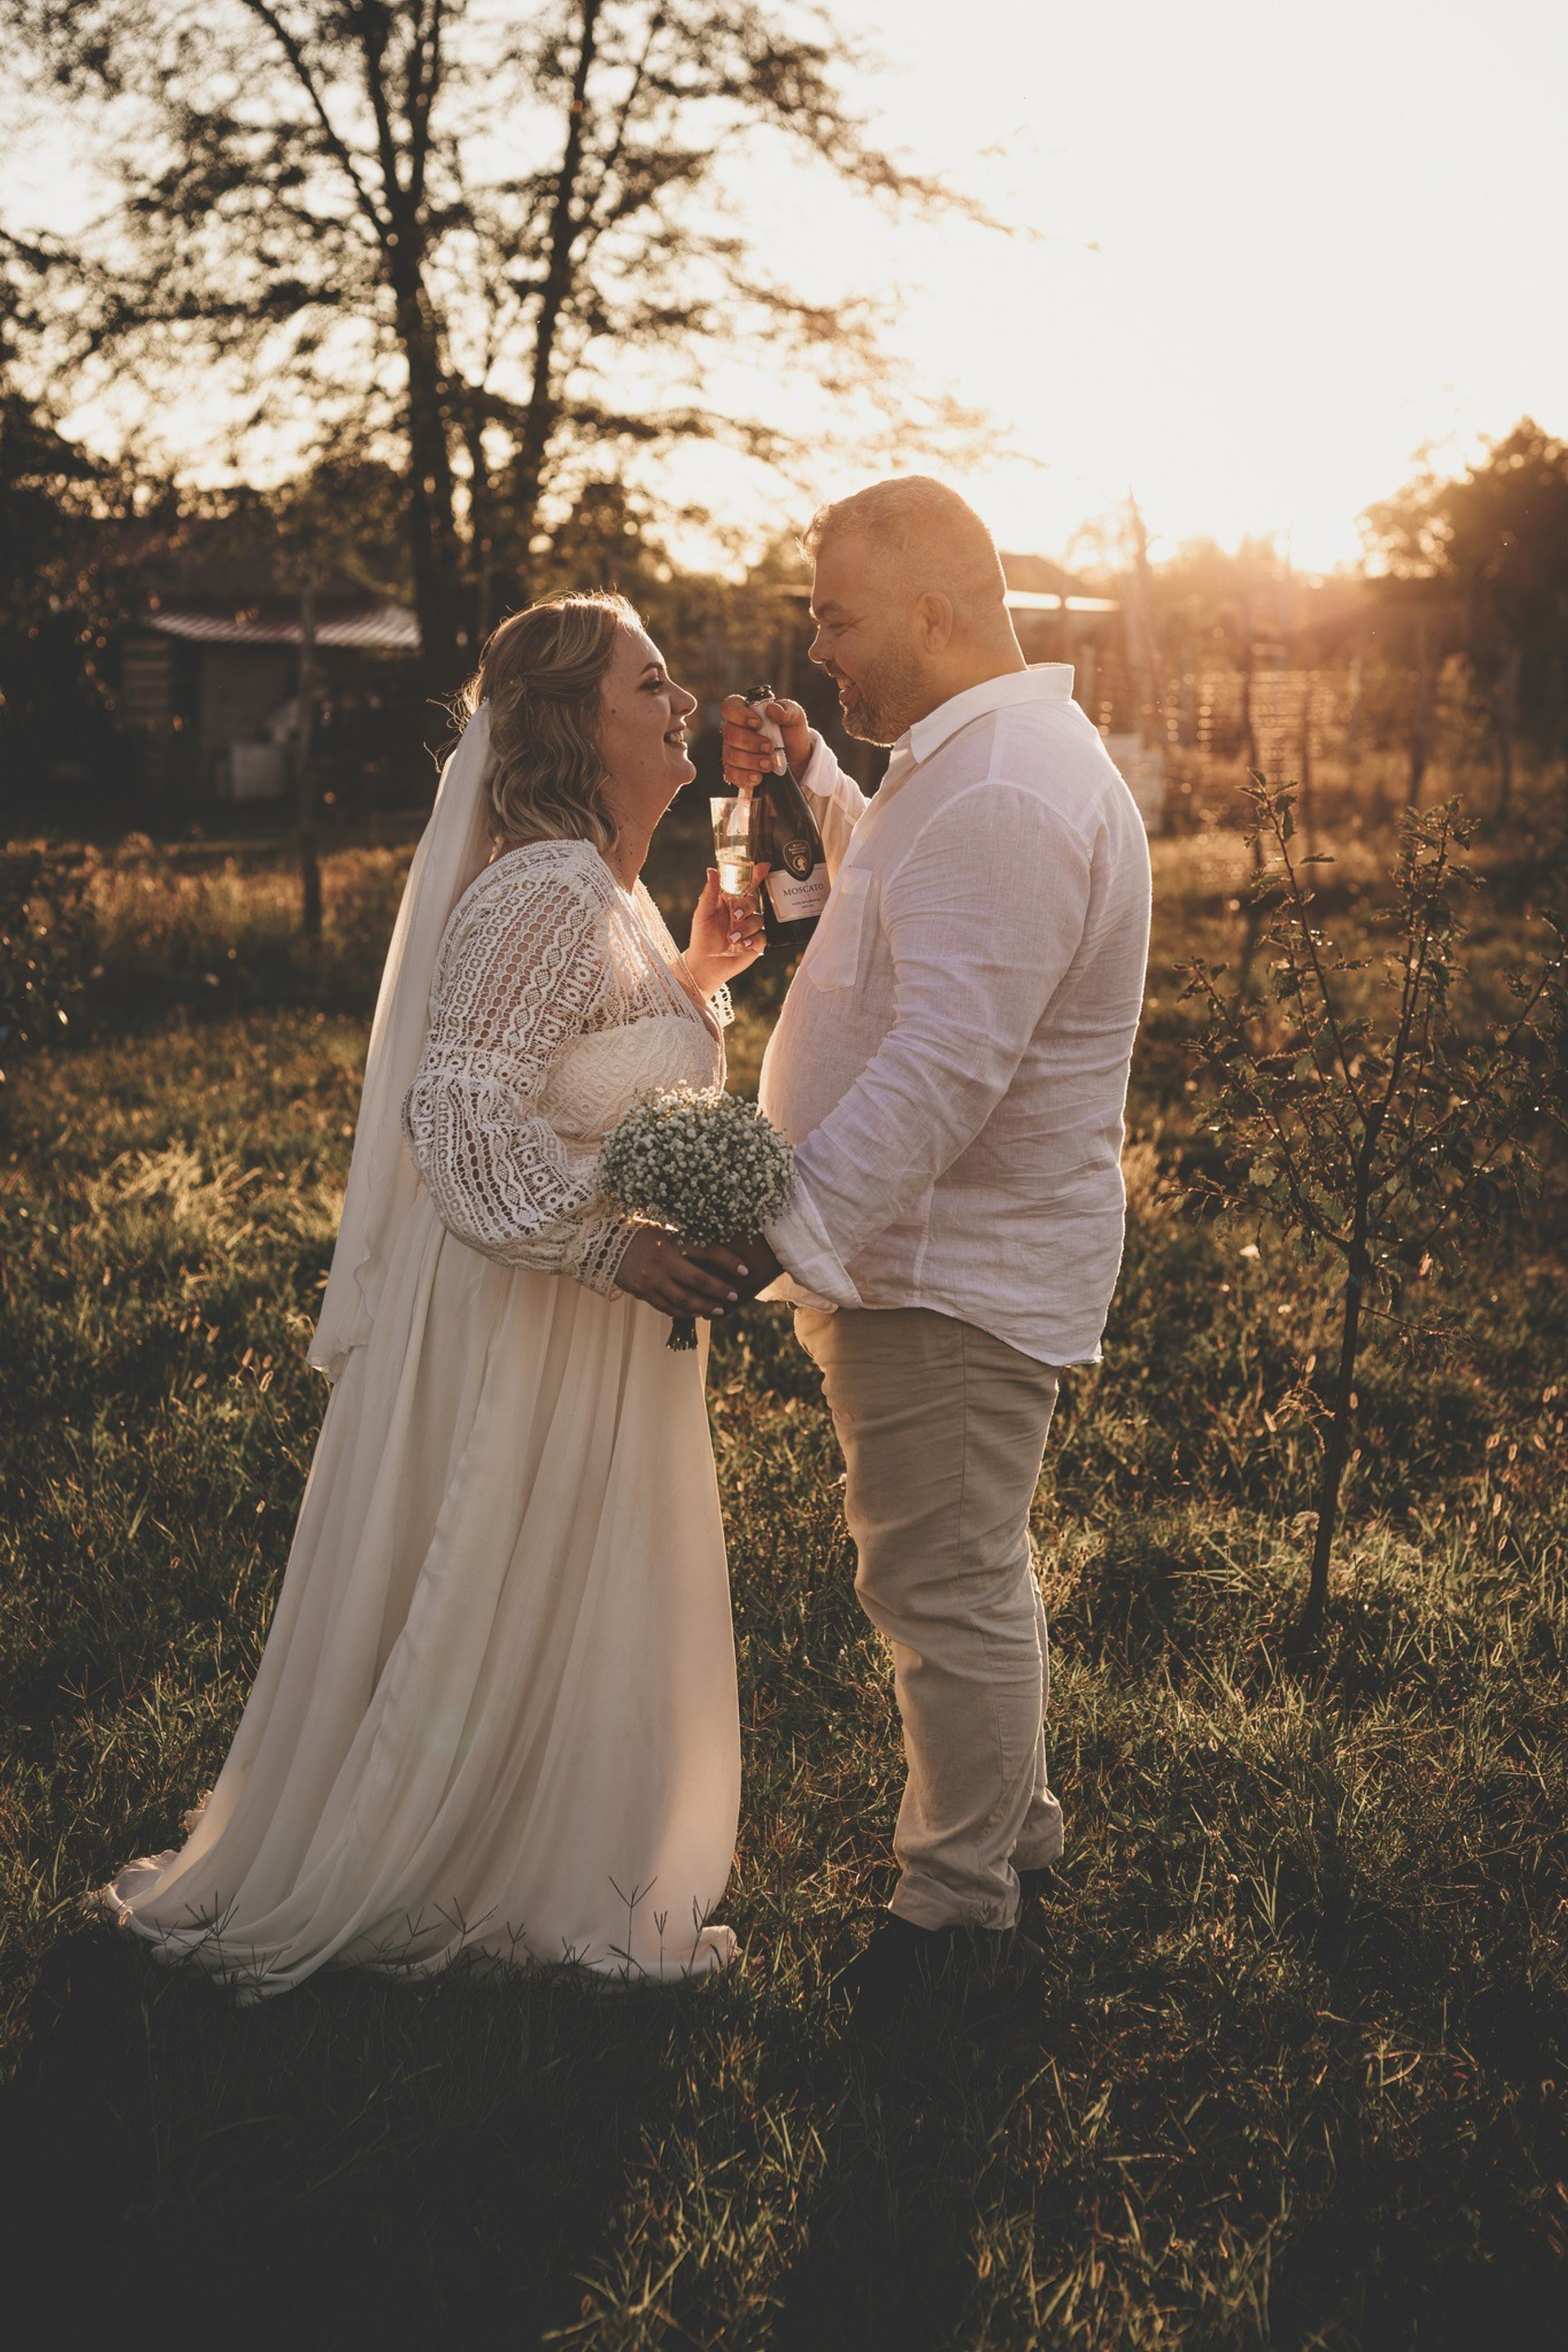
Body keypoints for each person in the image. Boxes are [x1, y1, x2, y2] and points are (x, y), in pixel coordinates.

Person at [93, 592, 760, 1998]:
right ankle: (444, 1858)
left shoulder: (605, 889)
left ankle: (552, 1845)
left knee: (572, 1586)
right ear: (576, 722)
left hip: (586, 1325)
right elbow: (458, 1115)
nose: (684, 706)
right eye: (652, 684)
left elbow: (581, 1075)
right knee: (489, 1577)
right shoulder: (538, 892)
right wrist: (608, 1248)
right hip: (524, 1321)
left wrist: (695, 974)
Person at [721, 478, 1152, 2019]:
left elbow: (946, 1064)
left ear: (928, 611)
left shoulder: (1007, 791)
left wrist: (778, 1220)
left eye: (835, 619)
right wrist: (815, 781)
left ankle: (956, 1909)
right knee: (966, 1565)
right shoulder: (974, 767)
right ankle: (1012, 1834)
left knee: (941, 1582)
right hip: (932, 1258)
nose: (818, 649)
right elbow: (902, 911)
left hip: (947, 1269)